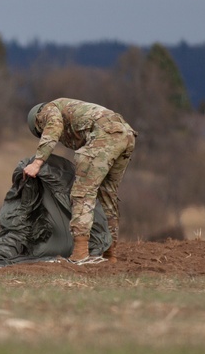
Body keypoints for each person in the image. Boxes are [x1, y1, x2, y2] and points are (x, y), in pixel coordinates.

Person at [23, 98, 136, 263]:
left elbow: (53, 126)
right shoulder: (68, 108)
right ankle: (110, 253)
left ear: (37, 122)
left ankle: (80, 252)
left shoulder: (48, 110)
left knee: (82, 193)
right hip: (126, 135)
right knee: (107, 195)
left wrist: (37, 162)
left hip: (105, 136)